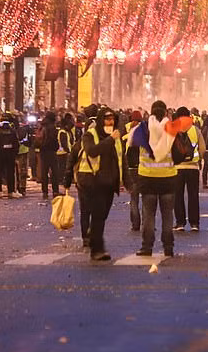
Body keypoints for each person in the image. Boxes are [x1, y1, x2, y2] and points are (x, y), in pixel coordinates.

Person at [71, 108, 130, 262]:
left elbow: (121, 160)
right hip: (94, 182)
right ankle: (97, 250)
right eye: (107, 119)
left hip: (110, 183)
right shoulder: (90, 135)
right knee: (98, 216)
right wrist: (110, 139)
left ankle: (93, 234)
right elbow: (92, 151)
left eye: (112, 120)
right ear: (100, 120)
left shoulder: (116, 138)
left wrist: (129, 183)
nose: (110, 122)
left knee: (102, 215)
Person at [135, 101, 179, 258]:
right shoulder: (172, 129)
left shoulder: (142, 129)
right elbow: (180, 153)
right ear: (166, 113)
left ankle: (147, 247)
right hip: (168, 178)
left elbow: (132, 152)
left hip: (147, 178)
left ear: (151, 113)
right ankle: (168, 247)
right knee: (167, 215)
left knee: (148, 215)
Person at [173, 107, 201, 232]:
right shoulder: (195, 130)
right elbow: (203, 148)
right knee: (193, 195)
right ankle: (194, 223)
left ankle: (180, 223)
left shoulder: (172, 129)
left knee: (178, 196)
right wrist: (197, 158)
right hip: (193, 167)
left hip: (177, 168)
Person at [0, 115, 19, 199]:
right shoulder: (11, 131)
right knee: (9, 172)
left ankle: (2, 190)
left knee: (2, 172)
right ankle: (9, 190)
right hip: (8, 154)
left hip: (3, 154)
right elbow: (16, 143)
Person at [37, 112, 60, 200]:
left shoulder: (42, 125)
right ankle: (55, 191)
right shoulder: (52, 127)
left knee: (44, 172)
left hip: (43, 151)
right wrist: (56, 147)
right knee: (54, 172)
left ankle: (45, 192)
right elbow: (53, 139)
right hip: (51, 151)